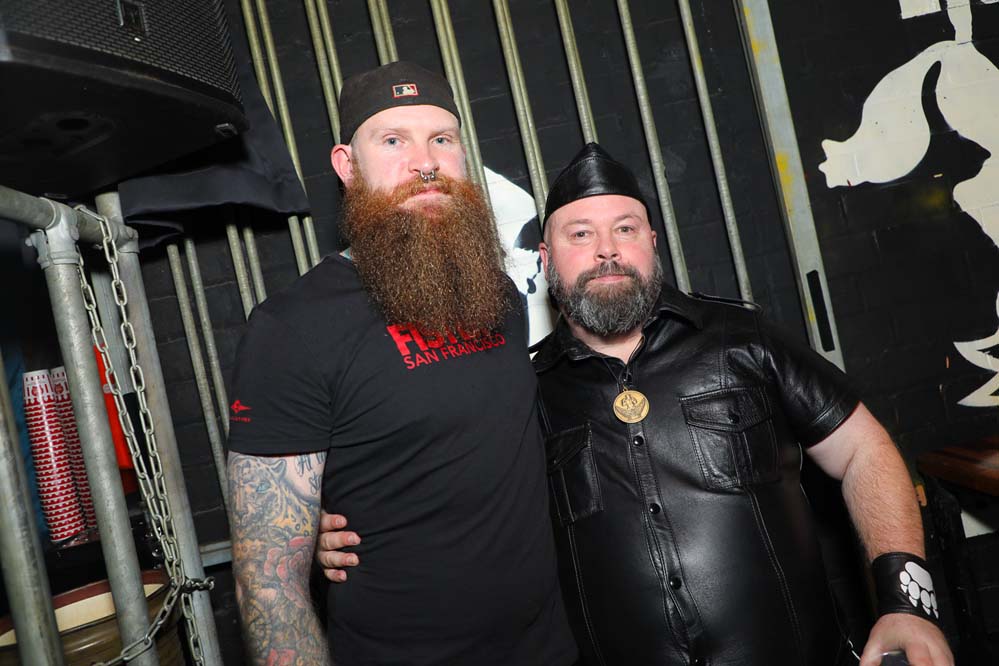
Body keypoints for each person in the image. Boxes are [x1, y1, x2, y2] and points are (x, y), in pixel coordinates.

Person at [319, 143, 954, 666]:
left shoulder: (743, 340)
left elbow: (865, 450)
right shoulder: (523, 390)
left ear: (652, 240)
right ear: (545, 260)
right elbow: (462, 508)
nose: (607, 250)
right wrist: (338, 533)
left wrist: (909, 603)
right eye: (580, 234)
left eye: (625, 229)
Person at [226, 60, 577, 666]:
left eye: (441, 139)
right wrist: (303, 531)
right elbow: (267, 585)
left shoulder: (496, 294)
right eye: (393, 141)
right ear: (347, 166)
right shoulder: (292, 328)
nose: (425, 162)